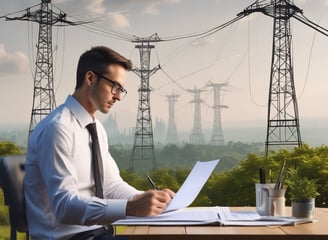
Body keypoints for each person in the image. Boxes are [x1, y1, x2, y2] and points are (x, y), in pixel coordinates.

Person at [24, 46, 175, 240]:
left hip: (98, 235)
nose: (118, 96)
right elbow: (63, 205)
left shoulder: (96, 129)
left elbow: (111, 185)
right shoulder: (57, 129)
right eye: (115, 86)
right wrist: (131, 207)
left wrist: (147, 200)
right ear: (90, 78)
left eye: (121, 89)